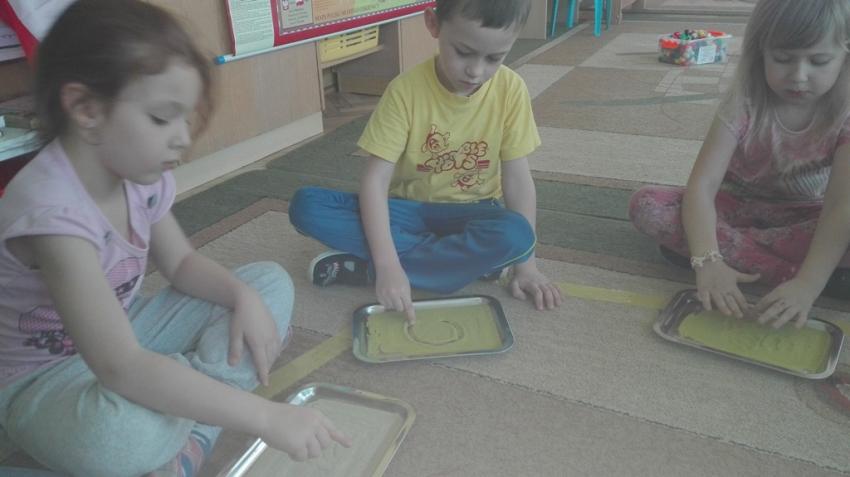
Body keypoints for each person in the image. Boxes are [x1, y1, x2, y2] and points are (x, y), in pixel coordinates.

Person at [0, 1, 350, 476]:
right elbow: (120, 366)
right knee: (116, 439)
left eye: (185, 119)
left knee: (268, 286)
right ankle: (197, 410)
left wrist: (241, 296)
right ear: (86, 109)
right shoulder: (54, 215)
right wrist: (265, 417)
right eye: (163, 118)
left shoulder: (137, 172)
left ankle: (188, 413)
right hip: (41, 378)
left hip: (127, 329)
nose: (183, 138)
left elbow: (182, 264)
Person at [289, 0, 562, 323]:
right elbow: (375, 182)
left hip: (474, 213)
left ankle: (373, 267)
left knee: (517, 234)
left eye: (494, 58)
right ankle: (462, 262)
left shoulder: (511, 90)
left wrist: (526, 266)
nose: (476, 71)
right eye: (463, 52)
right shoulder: (404, 91)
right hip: (407, 211)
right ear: (433, 23)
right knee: (307, 206)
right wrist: (389, 266)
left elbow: (517, 180)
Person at [630, 0, 850, 329]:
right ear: (760, 53)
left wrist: (808, 285)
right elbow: (702, 187)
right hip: (734, 208)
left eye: (819, 61)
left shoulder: (845, 112)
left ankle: (751, 263)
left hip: (804, 216)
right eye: (783, 59)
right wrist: (707, 260)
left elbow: (840, 206)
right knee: (646, 205)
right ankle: (799, 271)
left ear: (845, 54)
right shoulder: (743, 103)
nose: (799, 76)